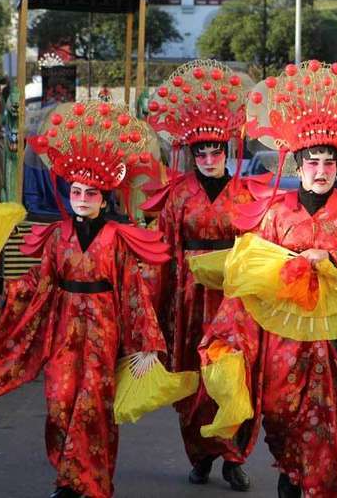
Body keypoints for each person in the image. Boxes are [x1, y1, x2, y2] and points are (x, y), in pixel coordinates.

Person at [197, 60, 337, 498]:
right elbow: (250, 274)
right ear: (300, 163)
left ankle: (316, 488)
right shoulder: (275, 213)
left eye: (330, 162)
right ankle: (290, 475)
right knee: (280, 414)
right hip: (280, 339)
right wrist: (228, 334)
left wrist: (331, 258)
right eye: (314, 162)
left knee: (325, 423)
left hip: (331, 344)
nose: (322, 170)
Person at [0, 104, 192, 498]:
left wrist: (145, 343)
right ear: (69, 194)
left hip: (104, 330)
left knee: (94, 408)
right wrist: (0, 280)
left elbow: (133, 291)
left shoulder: (117, 238)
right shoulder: (57, 236)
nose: (83, 198)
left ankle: (82, 484)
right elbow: (36, 283)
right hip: (63, 329)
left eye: (91, 193)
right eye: (76, 192)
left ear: (104, 197)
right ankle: (68, 472)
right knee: (59, 403)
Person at [142, 61, 256, 491]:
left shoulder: (246, 194)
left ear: (228, 152)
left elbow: (255, 250)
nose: (209, 160)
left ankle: (232, 457)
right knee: (193, 378)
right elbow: (163, 253)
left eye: (216, 152)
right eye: (201, 153)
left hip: (232, 299)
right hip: (189, 299)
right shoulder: (176, 197)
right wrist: (156, 308)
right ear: (192, 155)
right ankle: (199, 455)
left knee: (232, 375)